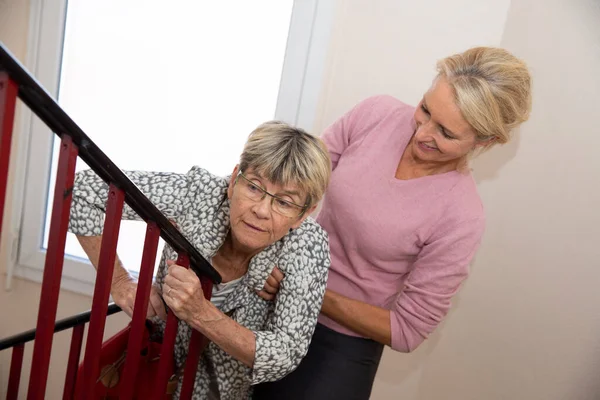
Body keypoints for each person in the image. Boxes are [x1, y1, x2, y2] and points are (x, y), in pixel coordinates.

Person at [252, 47, 533, 399]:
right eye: (426, 109)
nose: (422, 133)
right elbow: (298, 185)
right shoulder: (376, 115)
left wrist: (305, 290)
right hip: (273, 298)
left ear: (485, 140)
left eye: (445, 133)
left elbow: (407, 329)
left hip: (338, 346)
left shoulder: (461, 216)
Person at [67, 121, 332, 399]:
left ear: (303, 215)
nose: (262, 210)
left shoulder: (308, 244)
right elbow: (84, 190)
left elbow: (284, 355)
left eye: (284, 202)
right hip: (150, 372)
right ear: (233, 181)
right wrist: (119, 281)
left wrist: (200, 312)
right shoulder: (199, 194)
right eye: (254, 187)